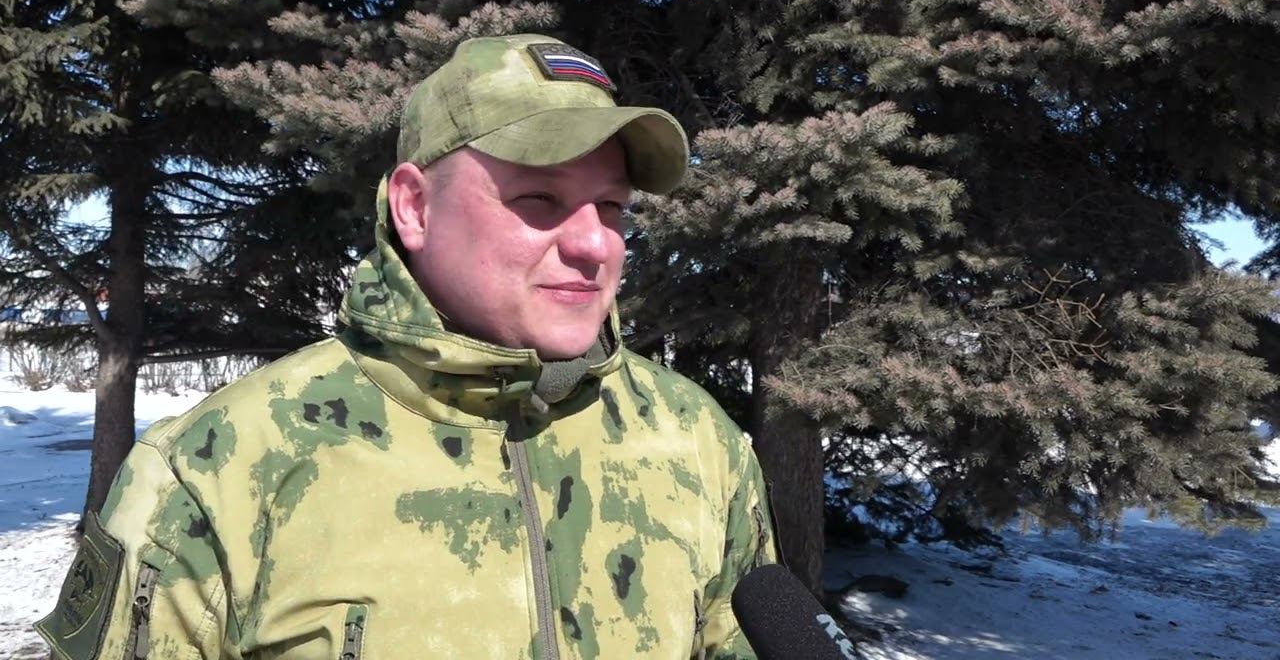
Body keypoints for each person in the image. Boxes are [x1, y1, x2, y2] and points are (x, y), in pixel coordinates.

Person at [36, 34, 777, 659]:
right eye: (539, 199)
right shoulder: (217, 468)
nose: (594, 244)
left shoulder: (697, 444)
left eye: (611, 206)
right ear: (415, 207)